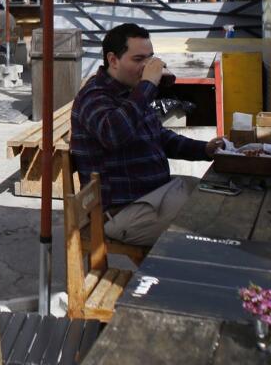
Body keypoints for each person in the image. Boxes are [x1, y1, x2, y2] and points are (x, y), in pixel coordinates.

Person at [70, 23, 224, 246]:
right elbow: (113, 134)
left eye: (149, 59)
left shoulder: (130, 93)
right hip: (122, 212)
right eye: (138, 59)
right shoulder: (94, 97)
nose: (146, 66)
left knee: (219, 198)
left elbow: (160, 137)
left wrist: (205, 149)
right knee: (213, 225)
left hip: (156, 194)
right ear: (113, 60)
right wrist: (148, 85)